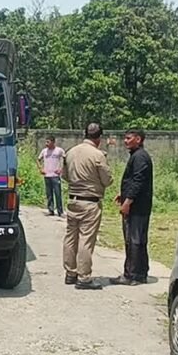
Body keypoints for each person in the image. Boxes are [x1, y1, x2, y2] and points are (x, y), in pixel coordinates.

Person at [62, 123, 113, 290]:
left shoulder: (70, 152)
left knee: (71, 237)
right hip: (90, 201)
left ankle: (70, 273)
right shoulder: (98, 155)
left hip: (73, 200)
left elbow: (64, 175)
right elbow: (107, 180)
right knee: (86, 239)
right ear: (99, 138)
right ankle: (84, 277)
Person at [113, 129, 154, 286]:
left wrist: (127, 202)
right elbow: (134, 181)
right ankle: (141, 273)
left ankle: (131, 275)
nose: (125, 141)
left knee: (133, 240)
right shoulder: (137, 156)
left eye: (129, 138)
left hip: (137, 208)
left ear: (138, 139)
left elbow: (138, 181)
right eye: (125, 138)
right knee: (139, 240)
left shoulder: (140, 157)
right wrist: (123, 194)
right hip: (139, 205)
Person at [37, 135, 66, 216]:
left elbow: (64, 159)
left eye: (48, 142)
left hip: (55, 175)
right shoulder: (44, 151)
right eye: (46, 142)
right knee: (49, 194)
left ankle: (60, 211)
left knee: (58, 194)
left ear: (53, 142)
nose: (46, 144)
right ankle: (50, 210)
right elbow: (38, 160)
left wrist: (61, 169)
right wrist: (41, 169)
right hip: (47, 175)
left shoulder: (59, 150)